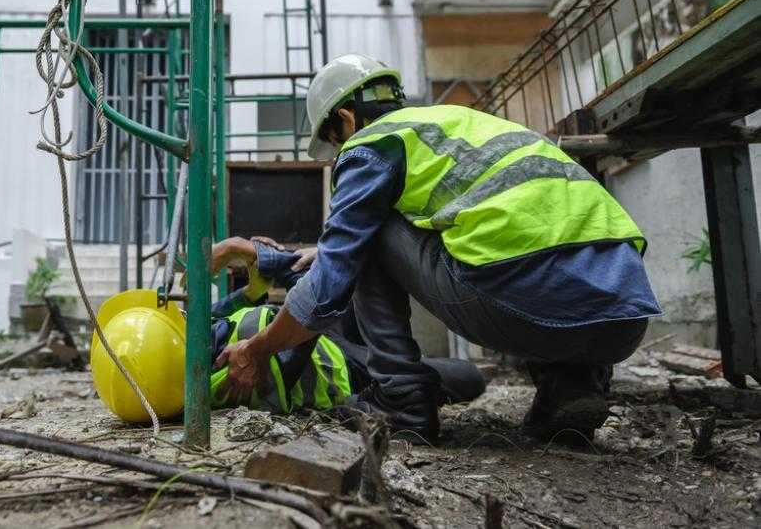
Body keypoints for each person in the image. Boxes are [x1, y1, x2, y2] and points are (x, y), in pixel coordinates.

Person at [213, 54, 662, 443]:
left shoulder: (370, 143)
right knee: (527, 260)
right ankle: (574, 384)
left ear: (346, 120)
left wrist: (256, 350)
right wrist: (320, 250)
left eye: (333, 142)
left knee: (368, 233)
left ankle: (402, 401)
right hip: (623, 316)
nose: (337, 155)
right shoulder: (457, 125)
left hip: (530, 306)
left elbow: (329, 286)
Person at [208, 236, 486, 414]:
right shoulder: (219, 372)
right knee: (468, 377)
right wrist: (252, 253)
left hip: (327, 332)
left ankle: (403, 363)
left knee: (363, 248)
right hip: (347, 370)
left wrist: (252, 283)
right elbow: (308, 313)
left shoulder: (198, 328)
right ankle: (404, 371)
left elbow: (218, 311)